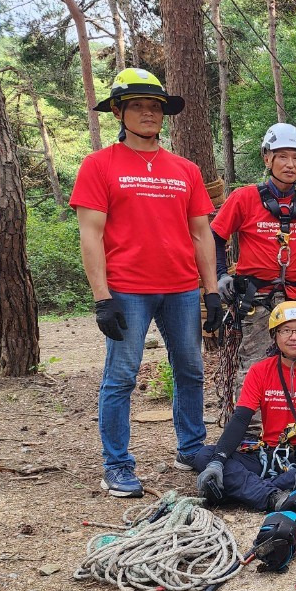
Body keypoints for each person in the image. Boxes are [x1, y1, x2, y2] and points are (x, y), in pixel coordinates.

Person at [71, 68, 221, 498]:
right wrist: (102, 298)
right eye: (136, 106)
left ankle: (190, 448)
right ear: (118, 112)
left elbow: (201, 233)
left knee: (191, 369)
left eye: (154, 106)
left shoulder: (185, 169)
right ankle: (117, 465)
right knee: (121, 376)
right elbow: (91, 234)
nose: (148, 113)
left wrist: (211, 290)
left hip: (181, 288)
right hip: (127, 289)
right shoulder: (99, 165)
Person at [211, 123, 296, 411]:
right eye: (282, 157)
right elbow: (214, 237)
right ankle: (249, 429)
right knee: (255, 365)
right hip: (257, 299)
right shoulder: (244, 198)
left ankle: (290, 421)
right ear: (267, 158)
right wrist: (220, 275)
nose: (290, 164)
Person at [192, 302, 296, 511]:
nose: (294, 337)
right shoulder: (260, 371)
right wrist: (218, 460)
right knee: (206, 456)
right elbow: (241, 419)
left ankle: (246, 490)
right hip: (271, 455)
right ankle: (272, 496)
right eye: (286, 330)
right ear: (274, 336)